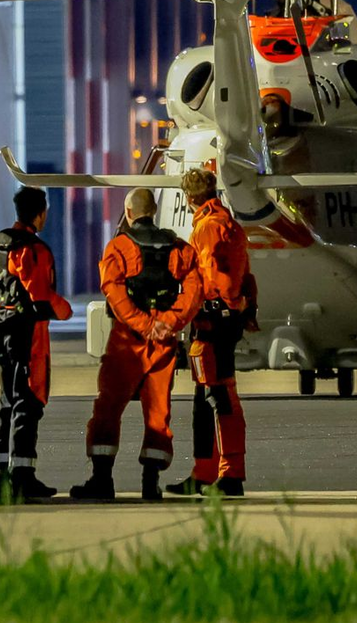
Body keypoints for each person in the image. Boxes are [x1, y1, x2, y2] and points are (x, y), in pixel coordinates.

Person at [71, 187, 202, 501]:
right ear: (153, 211)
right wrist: (169, 323)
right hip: (164, 341)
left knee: (108, 407)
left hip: (127, 341)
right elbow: (195, 290)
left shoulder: (119, 247)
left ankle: (102, 480)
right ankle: (150, 483)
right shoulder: (178, 248)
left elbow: (113, 292)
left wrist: (144, 325)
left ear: (129, 213)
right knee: (158, 412)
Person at [167, 168, 255, 498]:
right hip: (226, 321)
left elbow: (207, 280)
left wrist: (183, 314)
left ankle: (229, 474)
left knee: (218, 396)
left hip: (211, 323)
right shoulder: (230, 224)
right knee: (206, 398)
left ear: (190, 199)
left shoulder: (206, 229)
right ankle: (206, 471)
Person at [0, 186, 72, 500]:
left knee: (7, 403)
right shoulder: (35, 250)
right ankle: (23, 476)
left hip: (0, 332)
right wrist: (65, 309)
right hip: (28, 338)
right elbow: (41, 296)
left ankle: (2, 471)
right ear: (40, 213)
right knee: (28, 403)